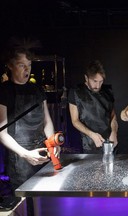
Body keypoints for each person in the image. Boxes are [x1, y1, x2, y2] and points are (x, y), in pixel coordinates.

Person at [0, 39, 60, 214]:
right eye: (21, 65)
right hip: (20, 158)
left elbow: (47, 121)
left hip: (41, 151)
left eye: (29, 65)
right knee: (24, 205)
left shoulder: (37, 90)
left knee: (43, 200)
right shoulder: (4, 91)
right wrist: (24, 154)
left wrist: (52, 144)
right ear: (10, 66)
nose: (27, 70)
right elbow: (2, 132)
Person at [68, 60, 118, 153]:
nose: (98, 86)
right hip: (89, 143)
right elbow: (75, 121)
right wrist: (92, 135)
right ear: (86, 78)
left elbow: (113, 116)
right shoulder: (75, 92)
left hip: (109, 141)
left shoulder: (108, 91)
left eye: (101, 81)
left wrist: (114, 132)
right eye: (95, 81)